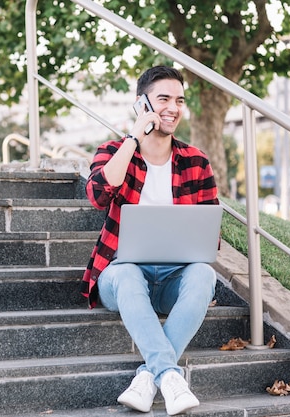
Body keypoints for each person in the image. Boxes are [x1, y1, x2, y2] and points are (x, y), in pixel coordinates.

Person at [81, 66, 219, 415]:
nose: (173, 108)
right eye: (163, 99)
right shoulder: (114, 151)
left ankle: (150, 377)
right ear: (142, 103)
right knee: (127, 272)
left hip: (174, 279)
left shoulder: (195, 161)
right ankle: (171, 376)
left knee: (204, 274)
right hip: (122, 278)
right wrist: (132, 138)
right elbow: (98, 194)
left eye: (180, 100)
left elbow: (210, 234)